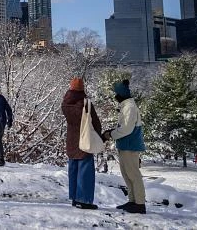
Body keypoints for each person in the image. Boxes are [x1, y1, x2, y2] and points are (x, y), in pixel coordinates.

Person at [102, 80, 147, 214]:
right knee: (127, 175)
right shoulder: (126, 106)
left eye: (116, 93)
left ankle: (139, 204)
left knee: (133, 175)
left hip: (130, 145)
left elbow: (126, 129)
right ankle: (133, 201)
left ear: (121, 94)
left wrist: (111, 134)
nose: (115, 96)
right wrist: (112, 132)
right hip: (126, 145)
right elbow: (124, 127)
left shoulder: (129, 108)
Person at [61, 78, 102, 210]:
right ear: (82, 88)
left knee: (73, 170)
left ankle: (74, 198)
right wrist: (99, 136)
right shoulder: (85, 103)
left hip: (71, 141)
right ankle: (84, 200)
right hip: (84, 141)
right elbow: (95, 123)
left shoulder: (65, 103)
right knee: (85, 173)